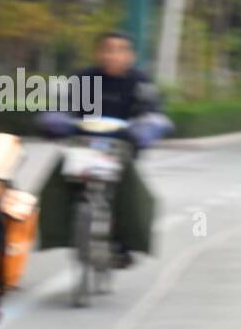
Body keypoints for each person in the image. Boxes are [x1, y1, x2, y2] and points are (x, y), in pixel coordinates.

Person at [35, 31, 173, 268]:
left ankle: (123, 243)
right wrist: (54, 122)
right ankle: (59, 234)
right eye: (108, 49)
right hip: (81, 147)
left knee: (133, 196)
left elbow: (153, 113)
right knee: (53, 188)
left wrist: (147, 128)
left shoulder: (141, 83)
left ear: (131, 56)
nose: (113, 55)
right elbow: (60, 107)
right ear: (98, 53)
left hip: (121, 151)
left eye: (120, 50)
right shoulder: (82, 79)